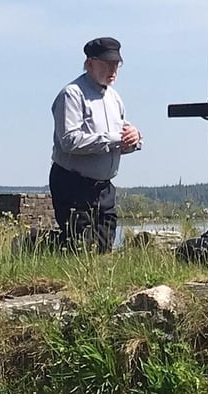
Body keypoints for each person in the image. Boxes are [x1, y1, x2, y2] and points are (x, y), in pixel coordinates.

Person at [49, 37, 142, 253]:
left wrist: (134, 138)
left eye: (116, 64)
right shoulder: (72, 94)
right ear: (89, 63)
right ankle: (35, 244)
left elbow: (122, 134)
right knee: (81, 247)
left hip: (104, 187)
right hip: (73, 183)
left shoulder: (114, 98)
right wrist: (113, 139)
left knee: (103, 246)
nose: (113, 69)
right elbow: (69, 141)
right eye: (106, 63)